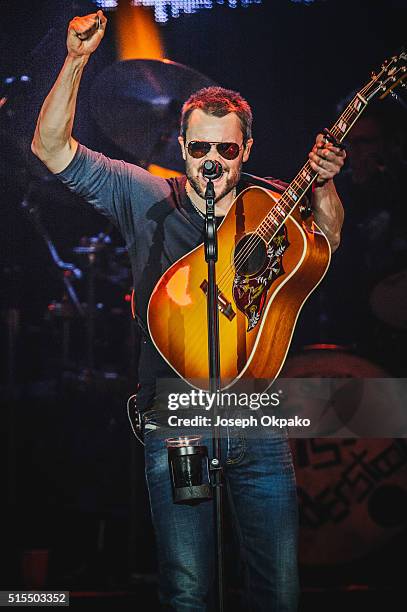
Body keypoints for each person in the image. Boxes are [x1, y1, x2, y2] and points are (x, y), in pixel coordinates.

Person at [31, 10, 346, 611]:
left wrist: (327, 187)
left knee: (279, 591)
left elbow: (326, 244)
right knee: (188, 590)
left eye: (225, 150)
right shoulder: (146, 193)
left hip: (257, 419)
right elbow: (51, 148)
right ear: (182, 146)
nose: (211, 161)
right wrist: (75, 61)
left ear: (246, 148)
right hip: (179, 422)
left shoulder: (273, 204)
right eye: (199, 147)